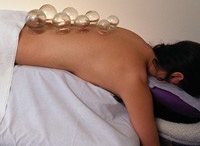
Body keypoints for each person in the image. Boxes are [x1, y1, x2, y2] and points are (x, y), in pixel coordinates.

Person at [16, 25, 200, 146]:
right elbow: (150, 142)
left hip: (15, 25)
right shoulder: (133, 79)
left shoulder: (133, 37)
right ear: (177, 77)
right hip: (7, 47)